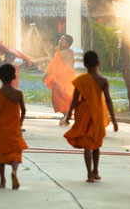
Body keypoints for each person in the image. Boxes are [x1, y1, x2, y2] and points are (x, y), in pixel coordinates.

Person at [64, 50, 118, 182]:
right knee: (96, 144)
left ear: (84, 64)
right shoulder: (103, 80)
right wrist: (114, 120)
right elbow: (108, 100)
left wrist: (69, 113)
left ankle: (89, 174)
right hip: (97, 113)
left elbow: (75, 99)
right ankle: (96, 171)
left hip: (83, 113)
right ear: (98, 63)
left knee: (87, 145)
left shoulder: (80, 80)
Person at [0, 63, 28, 190]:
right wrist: (20, 122)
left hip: (1, 129)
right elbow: (24, 110)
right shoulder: (18, 93)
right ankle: (14, 172)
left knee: (1, 154)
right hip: (14, 128)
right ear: (14, 77)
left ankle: (2, 180)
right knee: (15, 152)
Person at [43, 35, 76, 125]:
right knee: (66, 96)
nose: (60, 41)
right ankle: (66, 115)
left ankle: (66, 115)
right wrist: (59, 46)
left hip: (62, 77)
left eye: (62, 40)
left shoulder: (62, 53)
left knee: (59, 97)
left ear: (68, 43)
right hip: (70, 77)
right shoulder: (70, 51)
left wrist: (46, 74)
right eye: (60, 39)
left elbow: (54, 65)